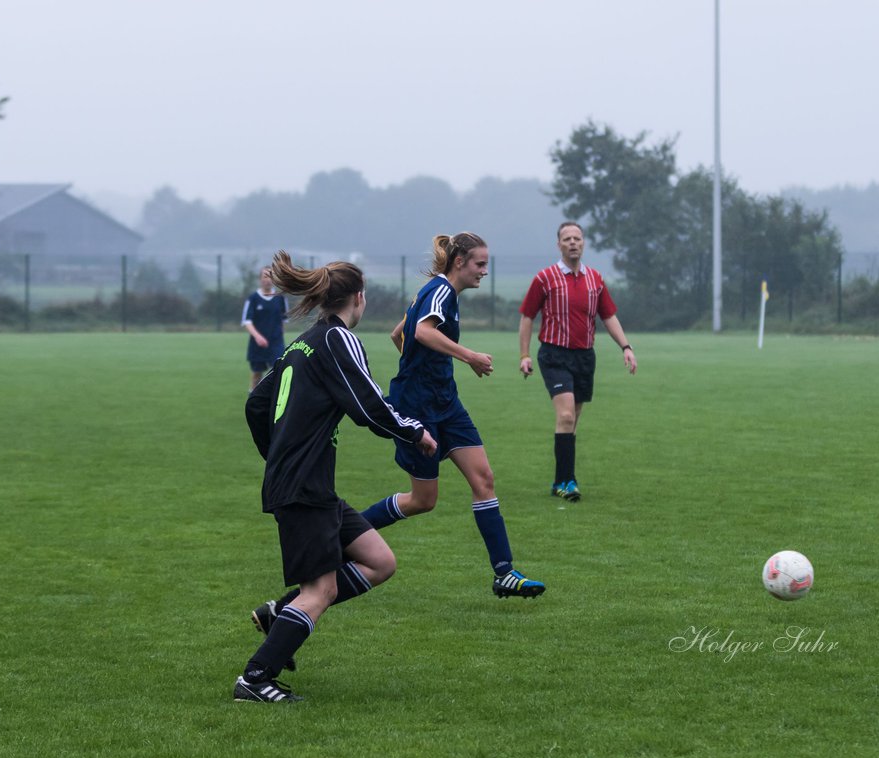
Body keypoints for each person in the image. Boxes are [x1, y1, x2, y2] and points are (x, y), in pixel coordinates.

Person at [237, 251, 437, 703]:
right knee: (321, 589)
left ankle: (281, 614)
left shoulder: (301, 343)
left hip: (305, 482)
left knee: (379, 561)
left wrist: (278, 456)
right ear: (358, 298)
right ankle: (255, 678)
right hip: (304, 485)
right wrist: (414, 432)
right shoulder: (337, 340)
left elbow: (255, 405)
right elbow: (369, 405)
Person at [359, 232, 546, 599]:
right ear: (459, 262)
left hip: (446, 404)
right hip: (417, 409)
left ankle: (504, 573)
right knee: (422, 501)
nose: (484, 272)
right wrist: (468, 356)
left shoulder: (439, 292)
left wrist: (422, 365)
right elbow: (420, 331)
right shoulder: (441, 291)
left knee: (484, 480)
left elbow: (399, 334)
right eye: (480, 264)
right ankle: (348, 531)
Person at [518, 221, 637, 501]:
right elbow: (527, 317)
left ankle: (560, 480)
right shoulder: (545, 278)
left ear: (583, 243)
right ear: (558, 244)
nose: (573, 243)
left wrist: (626, 346)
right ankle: (567, 482)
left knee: (572, 421)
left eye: (577, 238)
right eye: (567, 238)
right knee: (566, 415)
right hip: (554, 354)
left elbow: (608, 316)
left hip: (585, 356)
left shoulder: (595, 279)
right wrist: (524, 355)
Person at [241, 266, 288, 392]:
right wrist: (258, 336)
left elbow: (283, 320)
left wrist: (278, 336)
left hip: (276, 344)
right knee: (257, 374)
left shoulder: (280, 298)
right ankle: (253, 399)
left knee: (278, 372)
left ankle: (274, 402)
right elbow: (247, 322)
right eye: (265, 276)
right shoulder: (253, 299)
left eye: (271, 276)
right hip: (257, 344)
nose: (268, 280)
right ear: (260, 279)